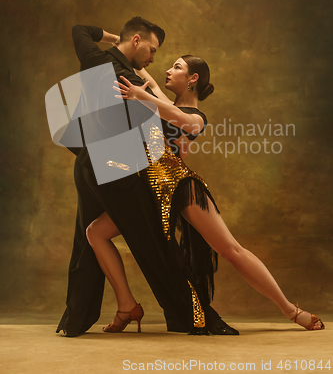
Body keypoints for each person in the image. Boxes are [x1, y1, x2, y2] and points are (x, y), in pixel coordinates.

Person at [86, 54, 324, 332]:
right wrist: (124, 50)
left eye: (177, 67)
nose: (167, 70)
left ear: (193, 79)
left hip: (180, 187)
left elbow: (179, 117)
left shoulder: (196, 117)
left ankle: (290, 310)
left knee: (231, 250)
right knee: (95, 232)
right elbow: (144, 77)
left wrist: (142, 96)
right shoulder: (162, 102)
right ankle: (127, 306)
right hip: (148, 192)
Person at [56, 19, 237, 337]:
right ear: (136, 40)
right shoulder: (127, 79)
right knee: (149, 245)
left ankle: (90, 314)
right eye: (152, 50)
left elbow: (80, 31)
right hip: (117, 169)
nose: (155, 59)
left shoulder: (100, 61)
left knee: (92, 236)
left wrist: (114, 40)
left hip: (90, 164)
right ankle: (182, 313)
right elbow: (158, 128)